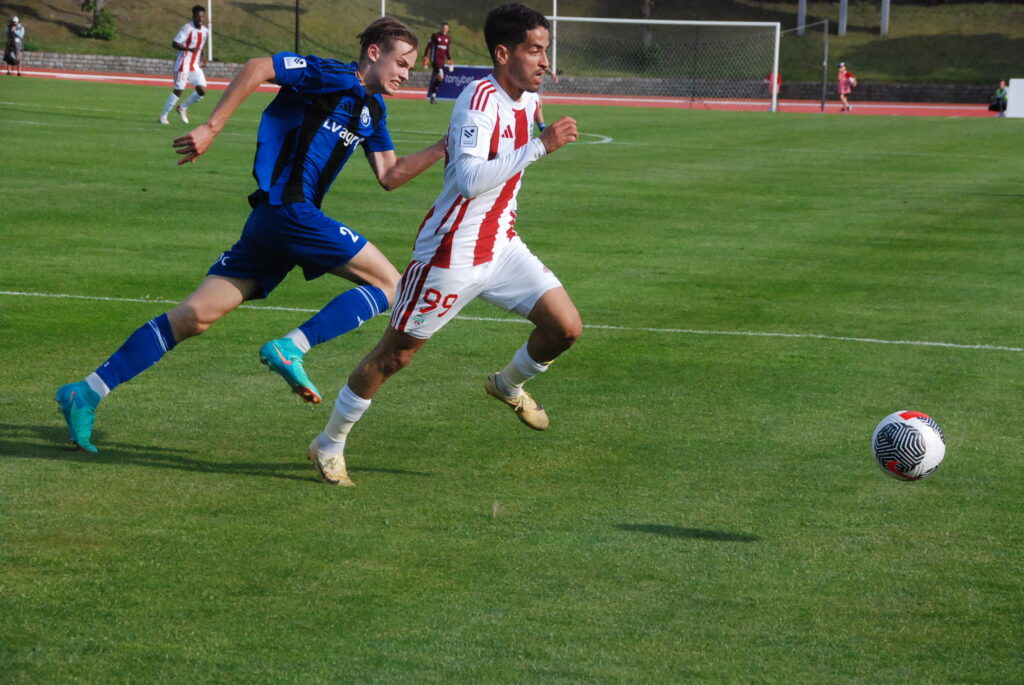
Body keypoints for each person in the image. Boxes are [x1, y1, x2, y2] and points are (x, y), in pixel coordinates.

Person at [55, 17, 447, 453]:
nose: (406, 73)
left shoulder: (373, 111)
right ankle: (293, 347)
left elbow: (390, 175)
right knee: (392, 283)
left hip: (273, 223)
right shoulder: (330, 74)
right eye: (401, 63)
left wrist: (445, 146)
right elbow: (259, 66)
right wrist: (212, 127)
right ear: (374, 53)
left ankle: (85, 392)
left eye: (410, 67)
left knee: (194, 317)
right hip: (288, 210)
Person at [305, 3, 582, 486]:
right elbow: (471, 180)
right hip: (451, 251)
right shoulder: (478, 101)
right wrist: (542, 146)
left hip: (502, 244)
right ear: (503, 53)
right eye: (535, 51)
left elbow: (518, 140)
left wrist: (539, 134)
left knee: (565, 328)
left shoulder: (528, 97)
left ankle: (507, 384)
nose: (545, 62)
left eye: (546, 50)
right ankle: (329, 442)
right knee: (395, 355)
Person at [159, 5, 210, 125]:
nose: (200, 19)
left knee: (202, 90)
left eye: (202, 16)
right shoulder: (187, 28)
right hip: (183, 63)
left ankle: (183, 107)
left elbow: (201, 45)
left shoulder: (205, 30)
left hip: (194, 65)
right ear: (193, 16)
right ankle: (163, 116)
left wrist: (203, 56)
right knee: (179, 91)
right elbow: (175, 43)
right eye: (198, 16)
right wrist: (188, 49)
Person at [422, 21, 454, 104]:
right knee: (441, 76)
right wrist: (426, 58)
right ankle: (433, 95)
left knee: (439, 78)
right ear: (440, 28)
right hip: (435, 59)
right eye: (443, 28)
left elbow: (447, 51)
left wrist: (450, 61)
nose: (444, 29)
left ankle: (433, 96)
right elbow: (428, 47)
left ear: (448, 29)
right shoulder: (435, 36)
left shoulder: (448, 39)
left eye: (446, 28)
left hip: (442, 60)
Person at [534, 66, 559, 131]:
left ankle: (542, 128)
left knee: (538, 104)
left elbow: (542, 65)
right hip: (523, 83)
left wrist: (551, 73)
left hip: (530, 83)